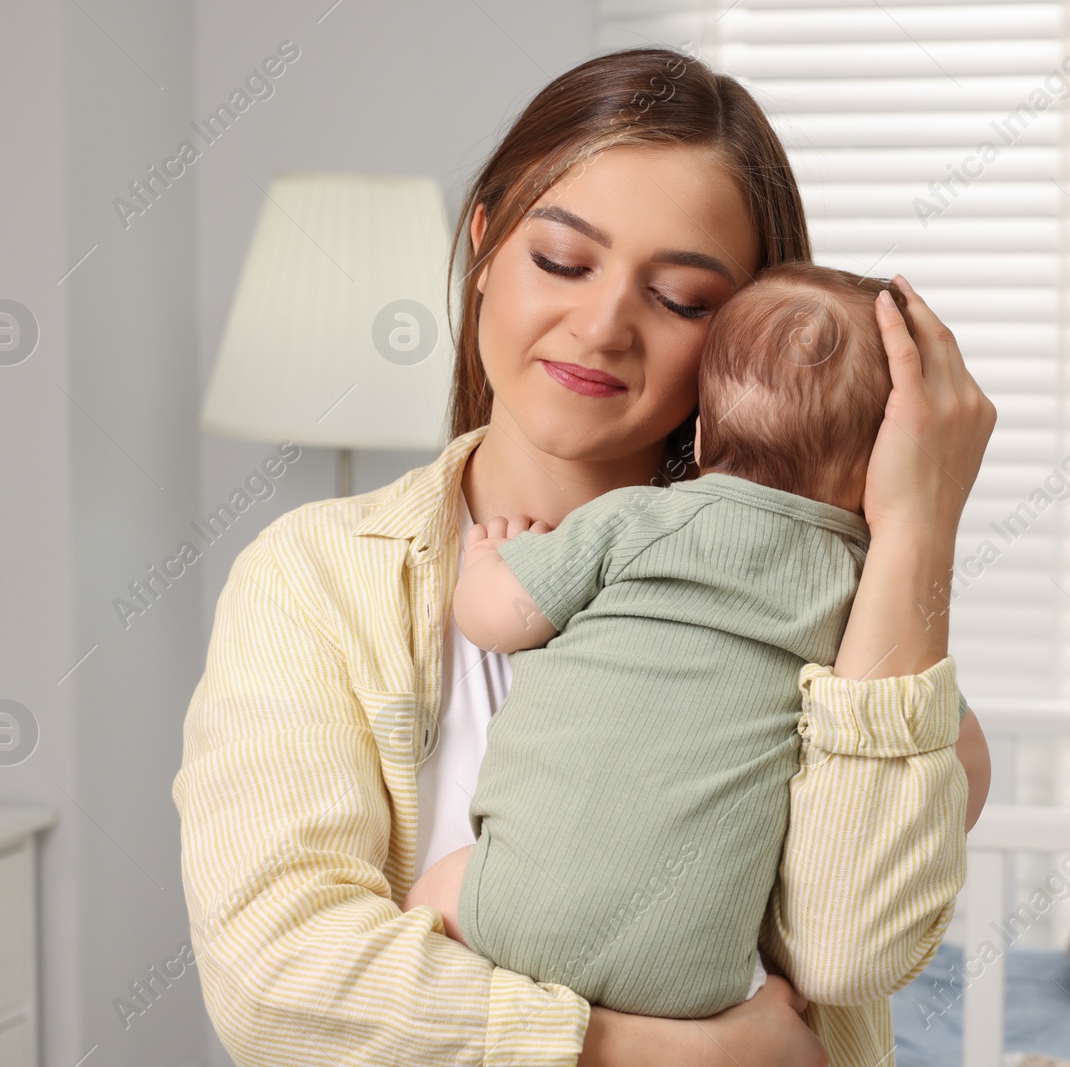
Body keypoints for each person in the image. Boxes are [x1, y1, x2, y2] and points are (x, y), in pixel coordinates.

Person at [173, 46, 995, 1067]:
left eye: (685, 298)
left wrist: (914, 527)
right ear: (483, 247)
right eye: (562, 260)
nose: (602, 324)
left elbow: (845, 947)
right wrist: (652, 1051)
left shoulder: (846, 618)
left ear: (748, 335)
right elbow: (276, 977)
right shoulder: (315, 576)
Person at [403, 264, 992, 1022]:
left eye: (683, 301)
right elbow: (957, 772)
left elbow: (493, 619)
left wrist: (489, 559)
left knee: (434, 895)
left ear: (704, 430)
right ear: (888, 467)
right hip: (697, 983)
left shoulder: (639, 519)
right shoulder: (862, 594)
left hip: (509, 910)